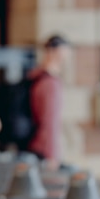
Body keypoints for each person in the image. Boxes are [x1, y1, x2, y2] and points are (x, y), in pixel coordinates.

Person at [27, 35, 70, 167]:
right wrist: (52, 155)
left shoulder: (34, 76)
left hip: (31, 145)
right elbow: (50, 122)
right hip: (43, 150)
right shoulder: (50, 83)